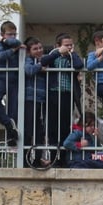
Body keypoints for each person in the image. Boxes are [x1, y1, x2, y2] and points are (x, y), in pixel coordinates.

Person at [41, 33, 84, 166]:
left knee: (65, 126)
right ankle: (54, 157)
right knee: (53, 126)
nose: (69, 47)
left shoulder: (72, 57)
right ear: (58, 46)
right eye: (66, 45)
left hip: (67, 94)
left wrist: (73, 53)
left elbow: (79, 65)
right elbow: (43, 61)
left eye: (71, 45)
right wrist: (57, 52)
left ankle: (63, 158)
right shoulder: (53, 55)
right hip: (53, 94)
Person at [0, 21, 22, 144]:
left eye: (14, 34)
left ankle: (11, 136)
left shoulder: (11, 42)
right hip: (2, 78)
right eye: (9, 34)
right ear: (2, 34)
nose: (13, 37)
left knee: (13, 109)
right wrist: (13, 50)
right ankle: (7, 123)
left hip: (15, 79)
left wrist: (6, 41)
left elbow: (17, 43)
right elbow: (1, 55)